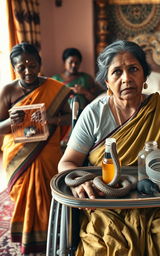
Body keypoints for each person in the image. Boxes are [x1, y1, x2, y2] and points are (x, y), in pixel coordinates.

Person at [58, 40, 160, 256]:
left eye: (133, 69)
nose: (126, 78)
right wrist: (81, 182)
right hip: (107, 205)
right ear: (107, 82)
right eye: (117, 72)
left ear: (144, 77)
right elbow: (66, 162)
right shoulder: (93, 114)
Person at [0, 42, 72, 255]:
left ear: (40, 63)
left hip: (47, 149)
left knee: (47, 192)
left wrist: (52, 118)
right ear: (14, 68)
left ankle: (51, 234)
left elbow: (71, 117)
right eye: (21, 67)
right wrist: (11, 122)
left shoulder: (55, 88)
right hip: (18, 153)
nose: (28, 71)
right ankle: (27, 237)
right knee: (24, 195)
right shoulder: (8, 91)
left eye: (32, 65)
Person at [52, 47, 105, 113]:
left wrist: (84, 92)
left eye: (76, 63)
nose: (74, 65)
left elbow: (96, 101)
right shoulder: (55, 80)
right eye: (71, 62)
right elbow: (51, 103)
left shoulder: (86, 78)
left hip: (83, 114)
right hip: (62, 117)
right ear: (64, 63)